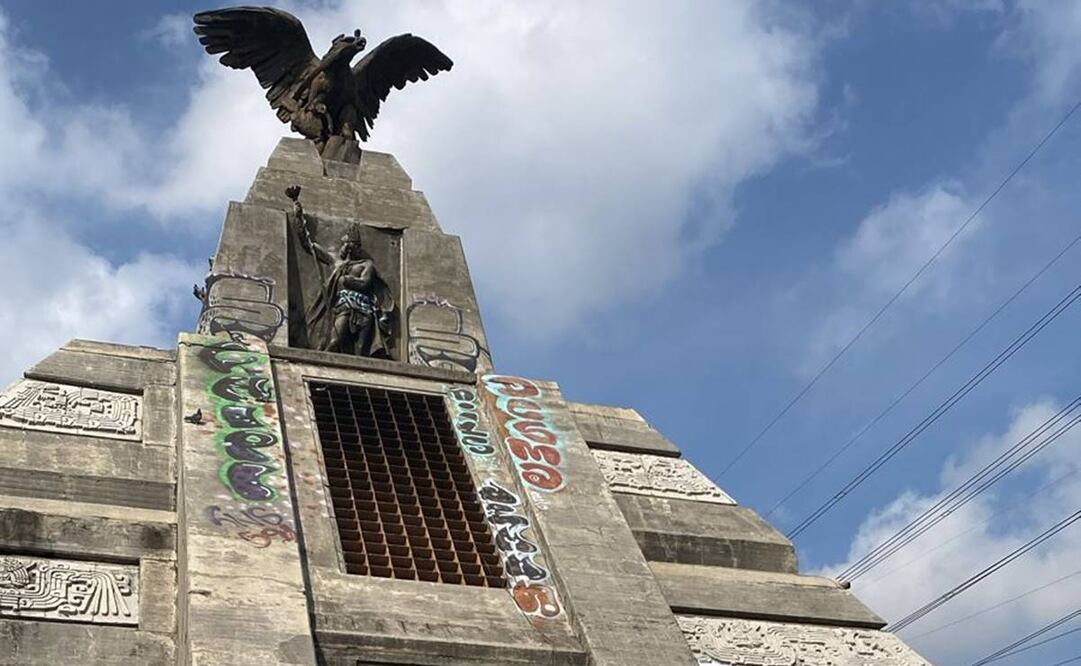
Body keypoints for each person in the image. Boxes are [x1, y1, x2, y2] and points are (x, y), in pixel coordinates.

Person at [290, 187, 395, 358]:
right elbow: (307, 244)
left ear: (354, 246)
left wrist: (346, 280)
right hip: (344, 306)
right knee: (334, 342)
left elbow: (365, 283)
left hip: (364, 309)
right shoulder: (334, 261)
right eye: (343, 243)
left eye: (347, 243)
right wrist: (298, 211)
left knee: (362, 350)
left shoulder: (366, 264)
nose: (343, 246)